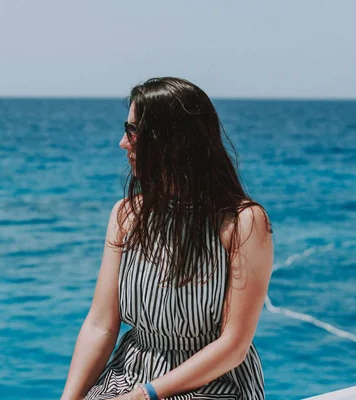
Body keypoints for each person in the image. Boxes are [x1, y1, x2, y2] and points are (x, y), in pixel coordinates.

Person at [60, 77, 274, 400]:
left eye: (132, 132)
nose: (122, 143)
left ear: (171, 141)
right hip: (129, 375)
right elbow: (100, 325)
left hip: (212, 383)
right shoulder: (125, 216)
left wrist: (147, 394)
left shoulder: (243, 223)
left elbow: (233, 346)